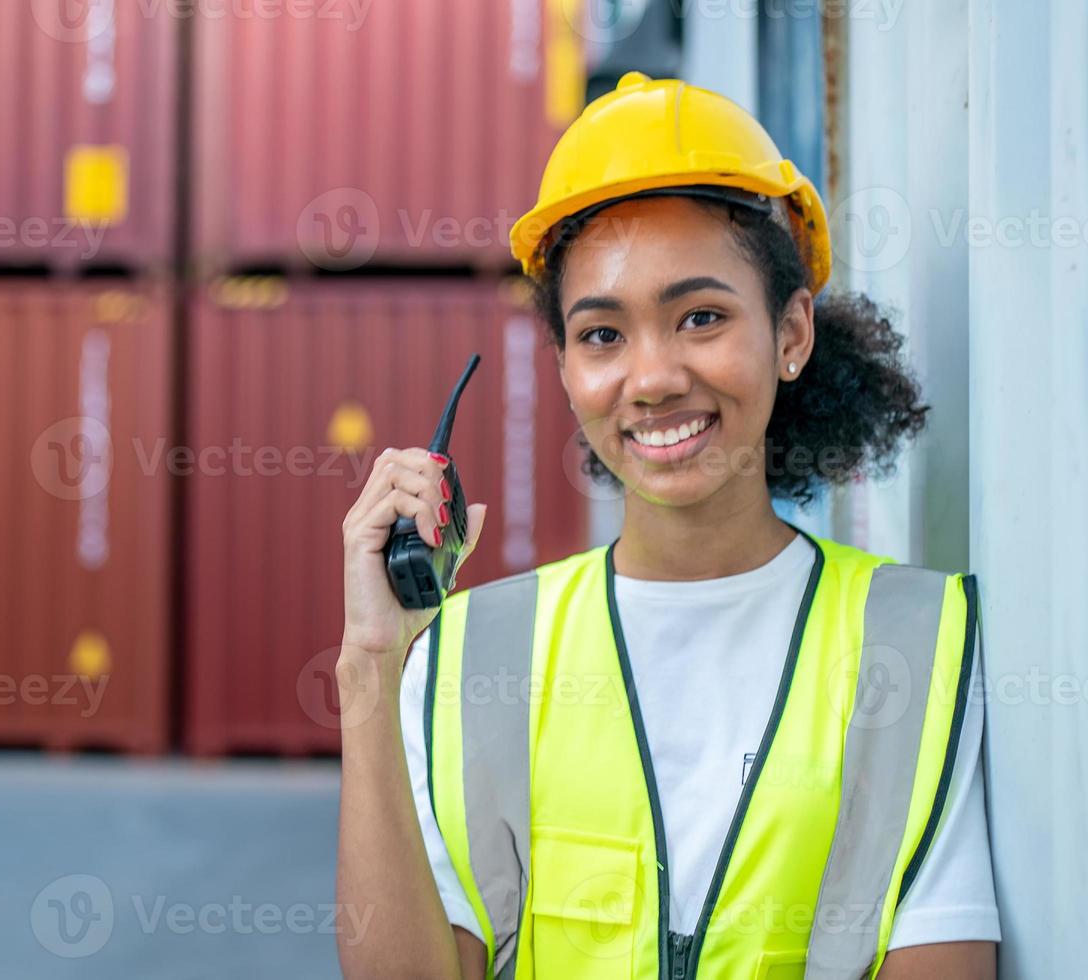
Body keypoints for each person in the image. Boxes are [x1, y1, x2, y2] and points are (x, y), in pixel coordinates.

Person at [336, 72, 998, 979]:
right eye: (603, 335)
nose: (650, 379)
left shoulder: (922, 641)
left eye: (700, 317)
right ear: (566, 368)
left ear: (792, 333)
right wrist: (372, 664)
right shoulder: (467, 656)